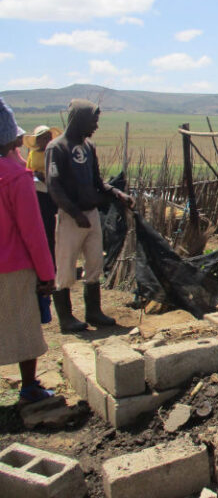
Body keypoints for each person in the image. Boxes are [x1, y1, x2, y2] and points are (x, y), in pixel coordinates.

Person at [45, 99, 134, 332]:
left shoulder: (88, 147)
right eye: (93, 121)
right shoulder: (57, 148)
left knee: (94, 263)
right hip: (70, 218)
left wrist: (117, 193)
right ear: (80, 120)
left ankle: (94, 312)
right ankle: (66, 319)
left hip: (91, 215)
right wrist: (75, 213)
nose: (95, 126)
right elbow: (54, 187)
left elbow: (97, 182)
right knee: (65, 267)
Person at [0, 97, 56, 403]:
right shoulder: (16, 177)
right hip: (14, 266)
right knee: (24, 325)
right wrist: (47, 274)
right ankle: (29, 387)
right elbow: (33, 232)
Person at [23, 125, 61, 263]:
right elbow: (28, 171)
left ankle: (54, 262)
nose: (46, 140)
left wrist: (46, 176)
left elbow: (58, 171)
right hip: (38, 194)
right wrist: (35, 174)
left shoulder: (54, 153)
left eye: (48, 137)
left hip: (52, 193)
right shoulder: (33, 154)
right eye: (43, 138)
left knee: (53, 229)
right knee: (43, 228)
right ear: (37, 141)